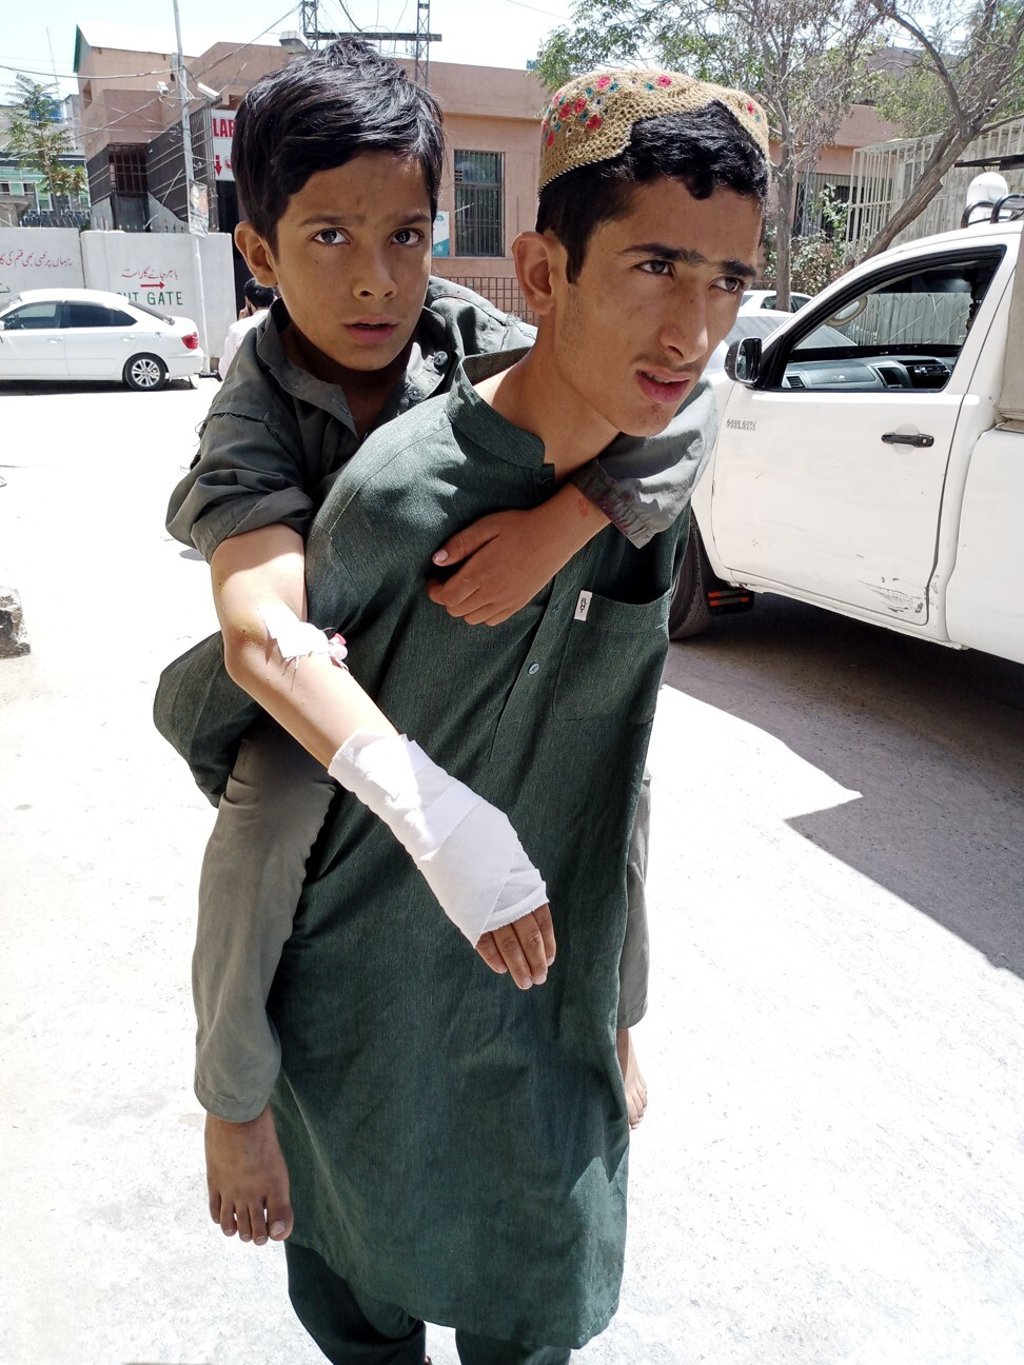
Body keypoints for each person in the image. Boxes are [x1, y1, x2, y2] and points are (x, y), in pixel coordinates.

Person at [179, 64, 768, 1363]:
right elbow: (264, 630)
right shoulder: (255, 406)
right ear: (257, 249)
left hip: (487, 655)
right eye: (329, 238)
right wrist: (435, 811)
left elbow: (681, 397)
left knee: (611, 773)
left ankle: (610, 1017)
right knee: (271, 819)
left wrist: (568, 520)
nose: (379, 279)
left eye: (406, 232)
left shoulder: (470, 331)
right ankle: (229, 1092)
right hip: (323, 692)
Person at [216, 276, 276, 379]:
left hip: (252, 392)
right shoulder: (288, 323)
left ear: (247, 301)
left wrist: (240, 322)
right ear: (274, 298)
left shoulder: (237, 329)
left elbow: (225, 371)